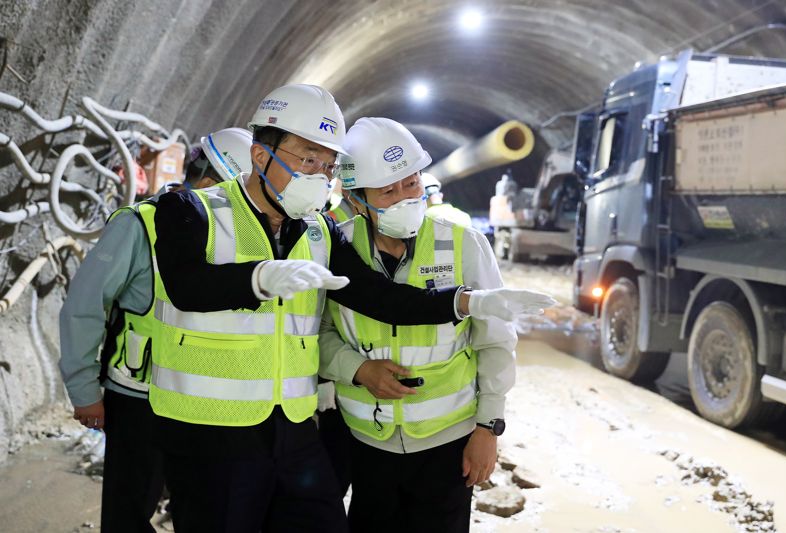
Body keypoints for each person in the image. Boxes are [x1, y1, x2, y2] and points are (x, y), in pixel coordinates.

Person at [148, 84, 550, 532]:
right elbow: (186, 286)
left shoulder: (318, 231)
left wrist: (469, 300)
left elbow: (382, 298)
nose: (319, 176)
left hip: (293, 428)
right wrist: (258, 279)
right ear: (261, 156)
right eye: (308, 161)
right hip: (210, 431)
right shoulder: (189, 209)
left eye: (327, 166)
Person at [320, 117, 554, 533]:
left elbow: (495, 341)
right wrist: (357, 369)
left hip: (448, 442)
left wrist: (488, 428)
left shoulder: (463, 244)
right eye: (388, 191)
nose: (404, 198)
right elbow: (318, 333)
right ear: (357, 199)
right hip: (367, 440)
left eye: (411, 183)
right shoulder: (336, 249)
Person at [58, 127, 253, 533]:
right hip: (141, 402)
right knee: (128, 514)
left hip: (206, 403)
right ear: (208, 182)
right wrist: (84, 390)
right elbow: (84, 306)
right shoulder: (140, 225)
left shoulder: (238, 237)